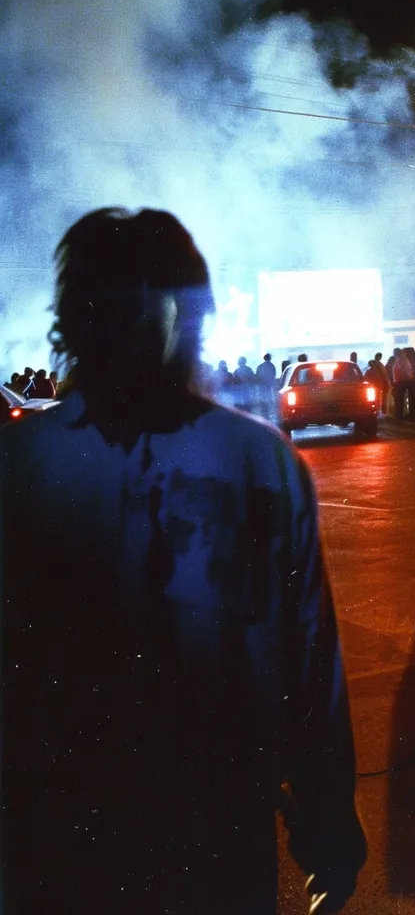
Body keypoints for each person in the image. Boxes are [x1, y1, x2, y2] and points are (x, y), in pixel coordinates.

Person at [0, 207, 366, 915]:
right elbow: (308, 667)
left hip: (57, 839)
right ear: (189, 319)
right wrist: (325, 825)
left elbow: (306, 659)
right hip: (209, 841)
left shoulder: (19, 463)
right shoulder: (257, 461)